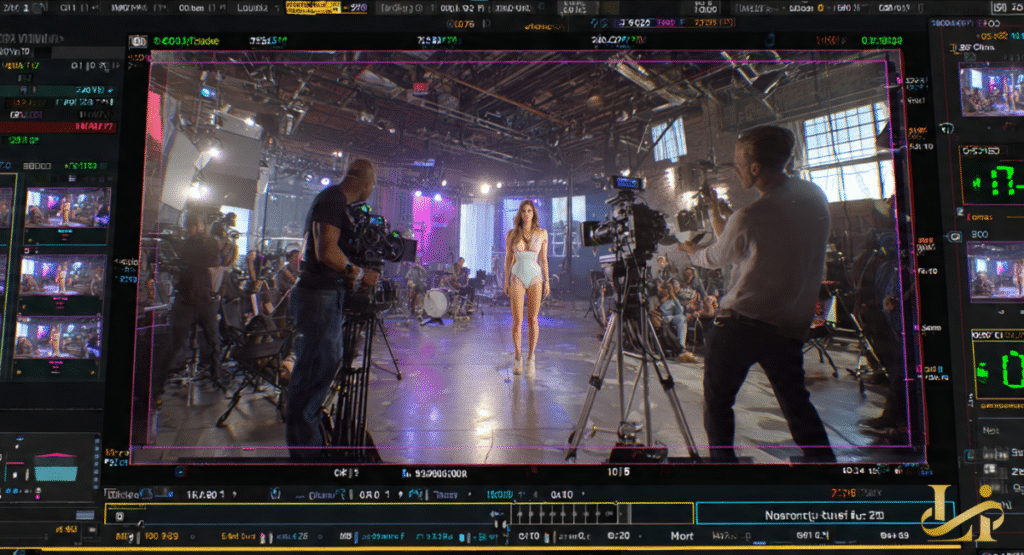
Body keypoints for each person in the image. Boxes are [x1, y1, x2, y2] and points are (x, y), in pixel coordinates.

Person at [678, 125, 835, 462]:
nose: (735, 170)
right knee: (796, 403)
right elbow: (738, 238)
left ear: (753, 169)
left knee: (719, 403)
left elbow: (717, 255)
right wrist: (715, 209)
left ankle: (725, 478)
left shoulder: (750, 215)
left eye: (738, 163)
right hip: (789, 326)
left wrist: (690, 249)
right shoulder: (814, 197)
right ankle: (827, 473)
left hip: (741, 326)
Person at [287, 159, 380, 460]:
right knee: (314, 374)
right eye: (374, 183)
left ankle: (310, 447)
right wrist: (360, 273)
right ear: (366, 182)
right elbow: (327, 251)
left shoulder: (335, 202)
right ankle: (307, 461)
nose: (372, 189)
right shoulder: (332, 199)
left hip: (326, 296)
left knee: (321, 369)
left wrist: (353, 274)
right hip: (318, 297)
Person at [150, 212, 225, 404]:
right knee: (203, 343)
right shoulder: (193, 245)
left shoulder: (189, 245)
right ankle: (157, 387)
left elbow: (214, 261)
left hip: (194, 301)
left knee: (186, 344)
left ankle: (158, 388)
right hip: (194, 301)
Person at [504, 200, 549, 375]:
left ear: (533, 213)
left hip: (536, 277)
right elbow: (508, 259)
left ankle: (531, 358)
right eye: (523, 211)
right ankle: (517, 357)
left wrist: (547, 281)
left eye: (529, 211)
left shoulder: (542, 233)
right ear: (520, 213)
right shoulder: (512, 234)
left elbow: (544, 259)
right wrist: (506, 281)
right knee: (517, 320)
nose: (526, 214)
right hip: (517, 277)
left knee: (533, 319)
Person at [657, 282, 696, 362]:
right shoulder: (656, 299)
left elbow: (679, 312)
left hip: (670, 318)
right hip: (660, 319)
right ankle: (680, 349)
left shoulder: (672, 300)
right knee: (669, 319)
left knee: (682, 318)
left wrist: (674, 298)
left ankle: (682, 346)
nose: (663, 291)